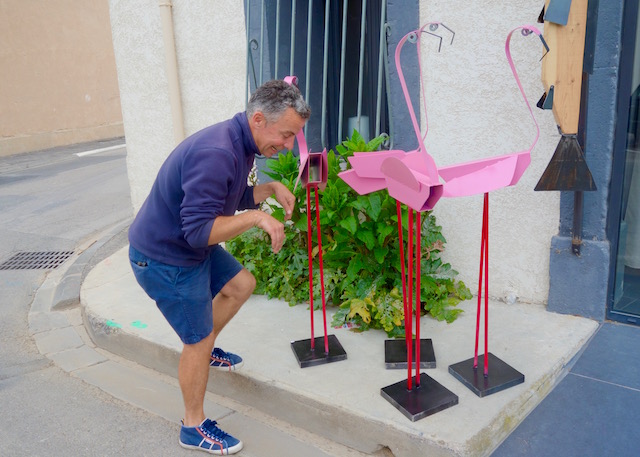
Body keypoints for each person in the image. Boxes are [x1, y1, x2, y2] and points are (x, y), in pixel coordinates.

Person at [128, 79, 310, 455]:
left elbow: (233, 194)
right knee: (195, 340)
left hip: (185, 248)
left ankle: (206, 344)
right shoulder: (217, 152)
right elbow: (198, 231)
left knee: (242, 284)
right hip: (167, 258)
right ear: (259, 119)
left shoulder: (239, 142)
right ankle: (193, 426)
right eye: (287, 134)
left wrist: (271, 188)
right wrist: (257, 218)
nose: (289, 144)